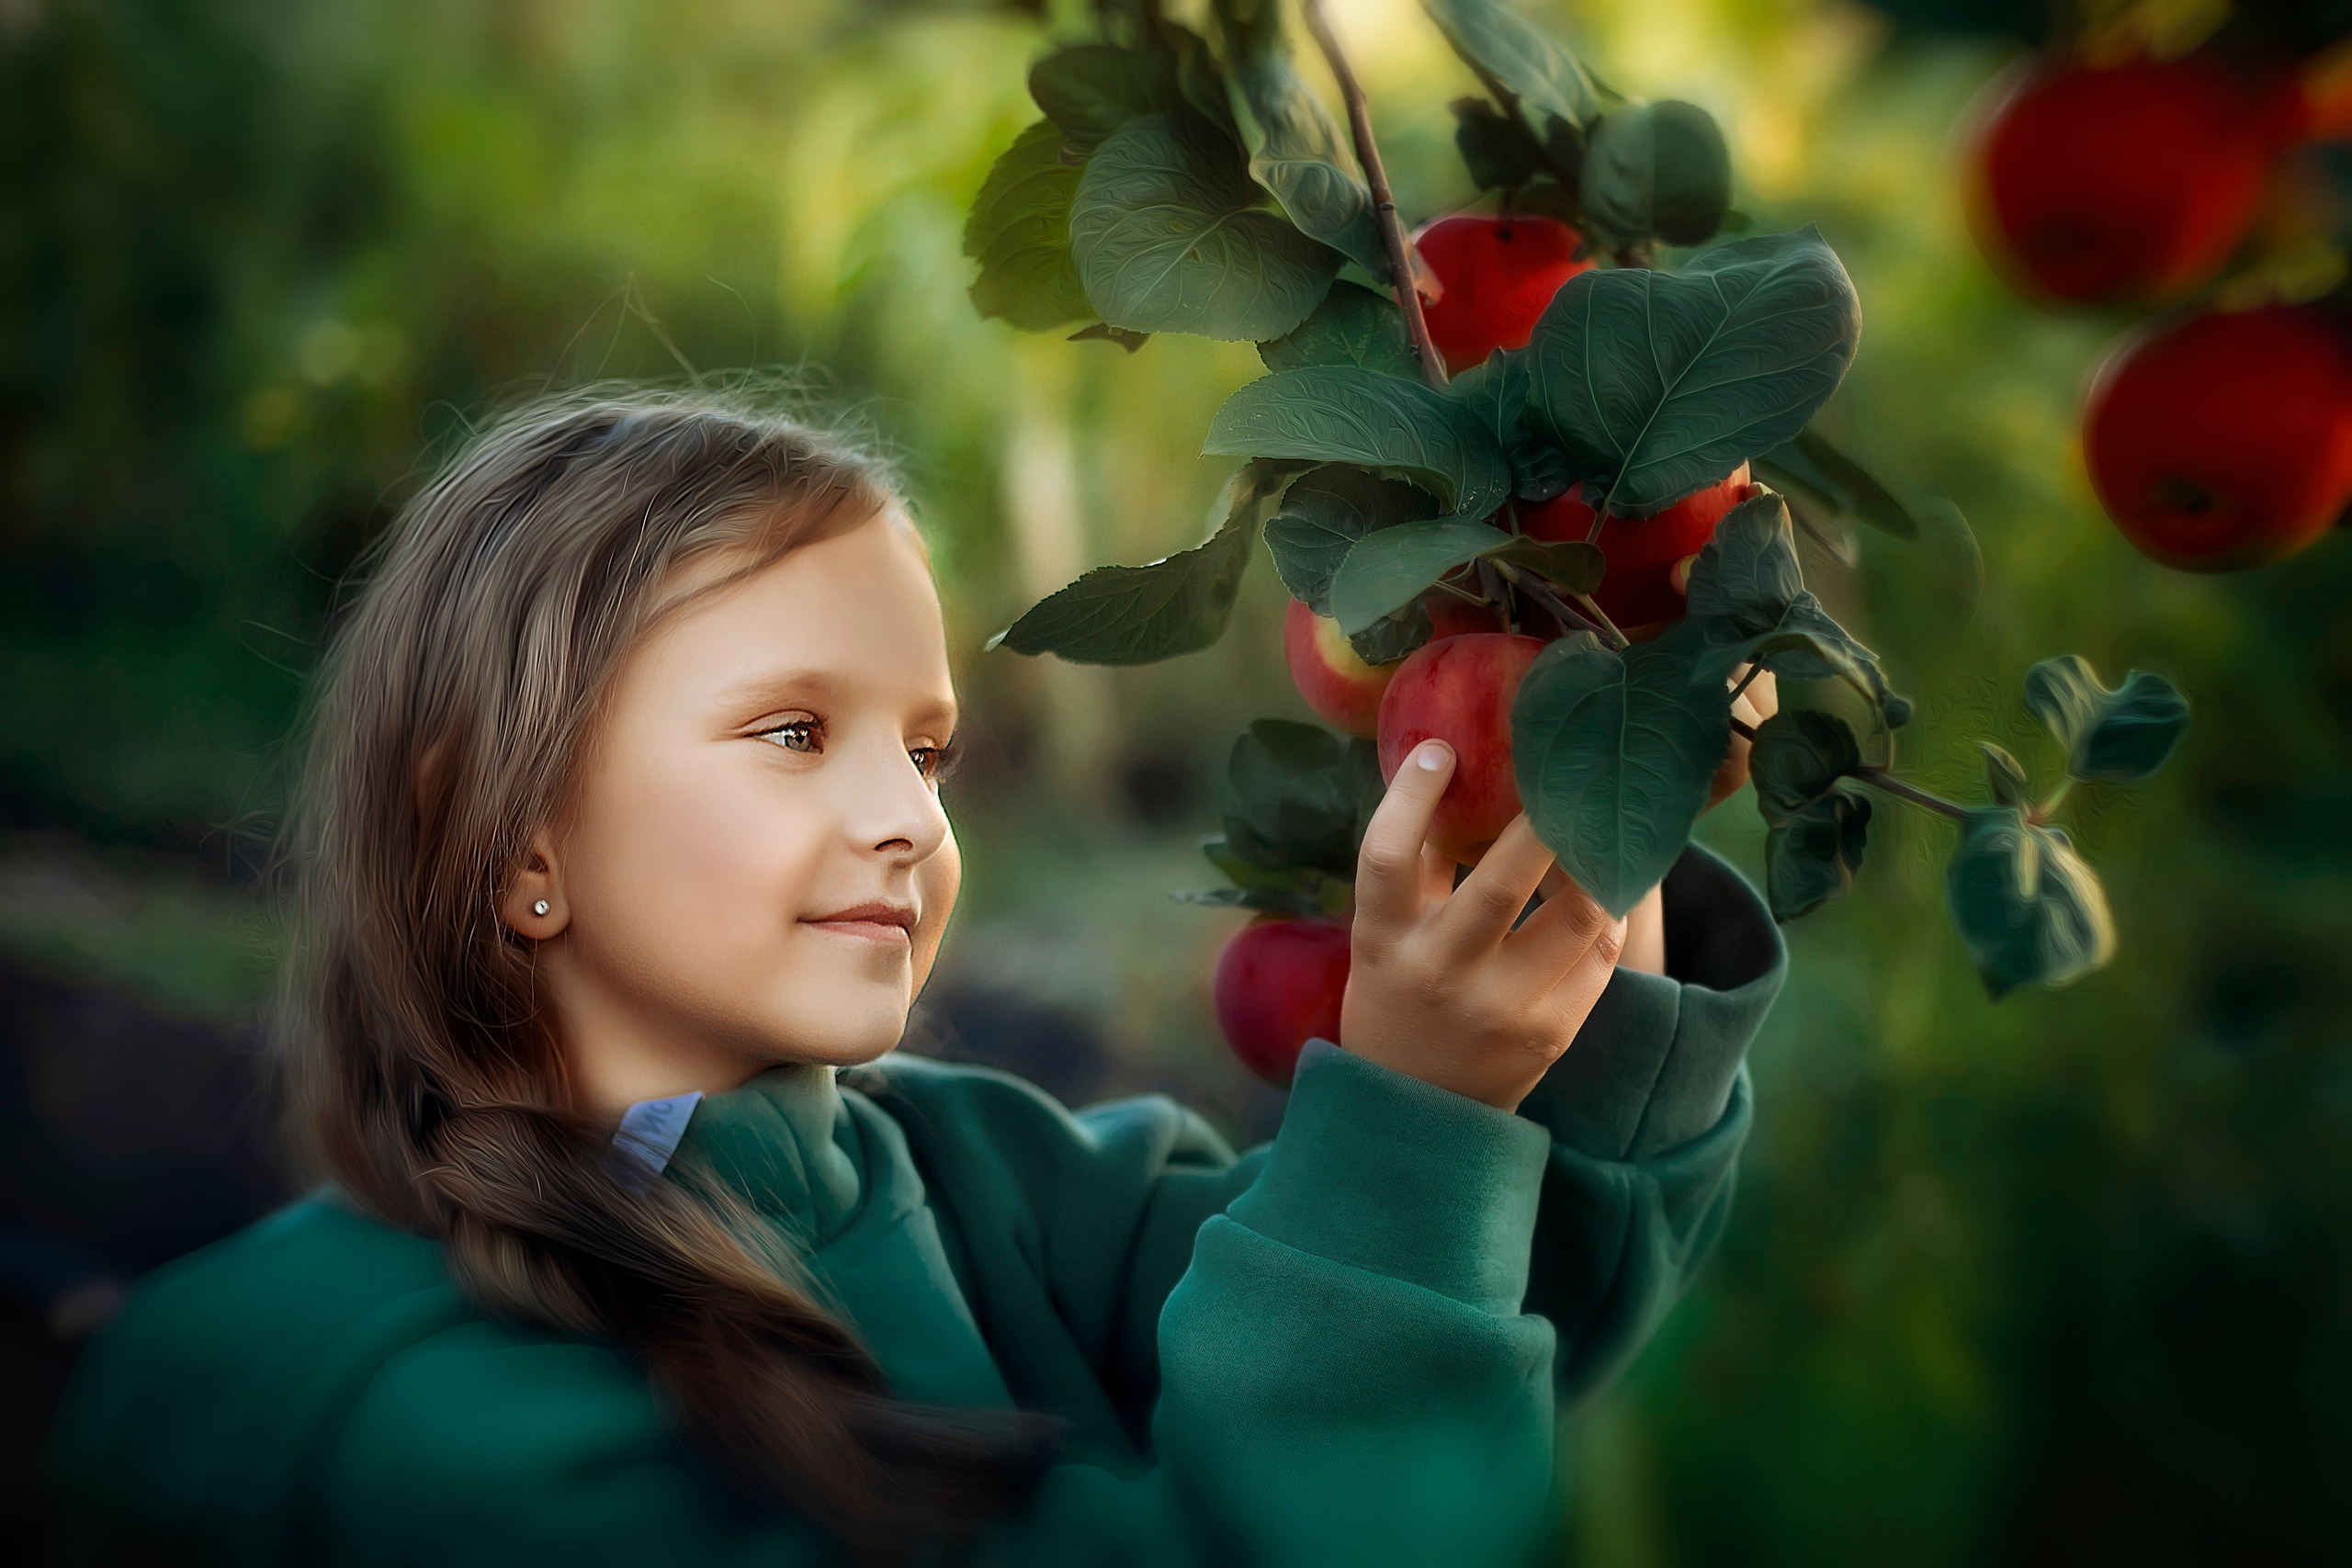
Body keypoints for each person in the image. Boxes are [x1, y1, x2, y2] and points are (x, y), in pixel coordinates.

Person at [45, 389, 1786, 1566]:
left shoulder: (990, 1172)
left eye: (930, 751)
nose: (903, 818)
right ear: (512, 841)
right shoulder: (439, 1432)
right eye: (795, 734)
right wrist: (1405, 1123)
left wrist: (1588, 891)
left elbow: (1461, 1334)